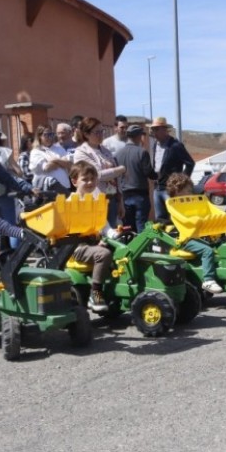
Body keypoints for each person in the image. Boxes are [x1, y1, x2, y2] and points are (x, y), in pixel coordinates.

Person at [66, 161, 118, 311]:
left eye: (93, 178)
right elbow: (73, 231)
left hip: (94, 243)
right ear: (74, 181)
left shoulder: (96, 199)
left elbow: (104, 225)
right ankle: (95, 293)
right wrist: (96, 243)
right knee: (103, 254)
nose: (90, 182)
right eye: (85, 179)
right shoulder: (71, 203)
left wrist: (114, 234)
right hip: (77, 247)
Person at [163, 172, 223, 294]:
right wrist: (194, 221)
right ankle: (208, 280)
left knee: (219, 245)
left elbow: (210, 211)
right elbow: (183, 220)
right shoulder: (173, 205)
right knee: (208, 251)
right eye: (188, 190)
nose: (191, 193)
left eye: (190, 190)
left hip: (196, 236)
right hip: (185, 240)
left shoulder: (191, 204)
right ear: (177, 190)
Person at [73, 116, 126, 226]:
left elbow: (117, 179)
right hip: (95, 200)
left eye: (102, 131)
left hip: (112, 199)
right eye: (97, 132)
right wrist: (120, 169)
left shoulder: (105, 151)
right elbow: (97, 175)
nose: (101, 135)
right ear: (86, 134)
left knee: (113, 235)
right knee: (99, 235)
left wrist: (120, 201)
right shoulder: (81, 152)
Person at [150, 116, 196, 220]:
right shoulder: (155, 145)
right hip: (157, 188)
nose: (154, 132)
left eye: (156, 129)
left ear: (165, 129)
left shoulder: (175, 145)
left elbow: (190, 163)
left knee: (176, 218)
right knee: (160, 220)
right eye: (153, 129)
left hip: (171, 190)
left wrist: (181, 182)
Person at [115, 124, 155, 233]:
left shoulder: (117, 154)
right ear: (138, 136)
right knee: (141, 227)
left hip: (124, 196)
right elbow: (149, 173)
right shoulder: (142, 152)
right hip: (140, 195)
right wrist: (158, 176)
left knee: (128, 227)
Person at [29, 125, 72, 194]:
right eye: (46, 135)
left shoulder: (59, 148)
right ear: (39, 136)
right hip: (48, 189)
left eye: (51, 134)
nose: (49, 137)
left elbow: (69, 164)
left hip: (65, 186)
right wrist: (61, 161)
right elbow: (47, 167)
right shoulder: (36, 151)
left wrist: (54, 160)